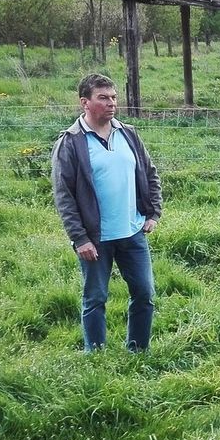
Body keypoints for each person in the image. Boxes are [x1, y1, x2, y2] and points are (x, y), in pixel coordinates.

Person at [51, 73, 162, 351]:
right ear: (84, 102)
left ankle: (138, 350)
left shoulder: (128, 133)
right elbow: (64, 196)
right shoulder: (71, 142)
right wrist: (80, 238)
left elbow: (150, 174)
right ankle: (96, 355)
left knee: (145, 293)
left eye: (113, 97)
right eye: (103, 98)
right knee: (95, 297)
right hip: (95, 238)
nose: (111, 103)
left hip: (132, 231)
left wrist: (152, 213)